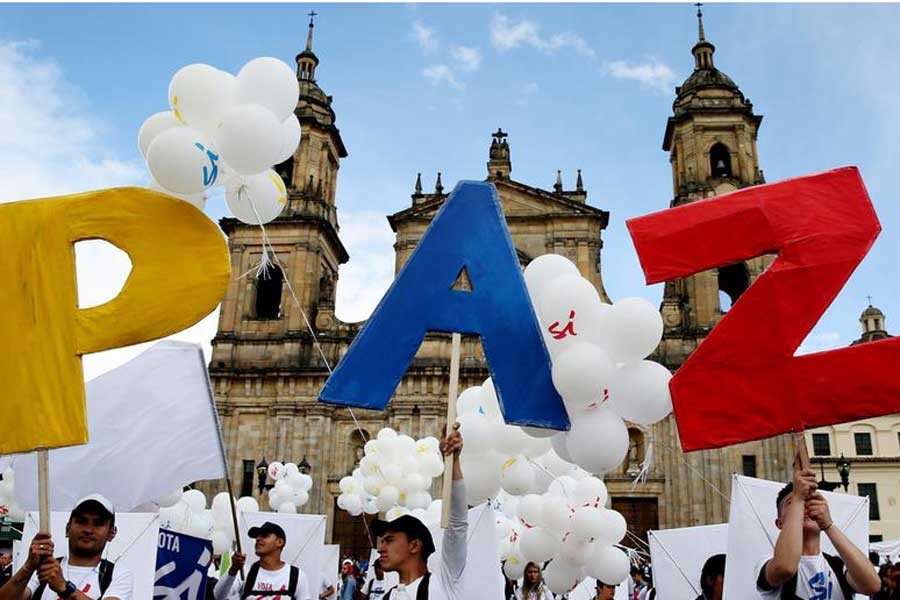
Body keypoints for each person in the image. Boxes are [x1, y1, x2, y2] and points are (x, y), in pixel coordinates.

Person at [756, 447, 881, 599]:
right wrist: (798, 496)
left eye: (810, 501)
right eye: (792, 503)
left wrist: (828, 524)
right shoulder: (767, 562)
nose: (805, 506)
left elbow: (873, 585)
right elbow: (785, 568)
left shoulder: (837, 566)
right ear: (780, 523)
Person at [374, 423, 467, 600]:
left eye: (389, 541)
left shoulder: (443, 584)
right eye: (383, 541)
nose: (381, 548)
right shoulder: (387, 597)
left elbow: (457, 524)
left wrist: (453, 461)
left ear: (415, 545)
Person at [0, 494, 133, 600]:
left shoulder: (117, 574)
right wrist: (28, 567)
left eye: (98, 523)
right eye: (81, 521)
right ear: (67, 529)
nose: (88, 529)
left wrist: (64, 587)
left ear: (111, 533)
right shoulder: (44, 570)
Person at [215, 522, 311, 600]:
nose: (258, 539)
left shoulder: (297, 576)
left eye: (265, 535)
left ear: (280, 542)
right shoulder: (245, 571)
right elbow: (218, 596)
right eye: (257, 536)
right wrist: (233, 570)